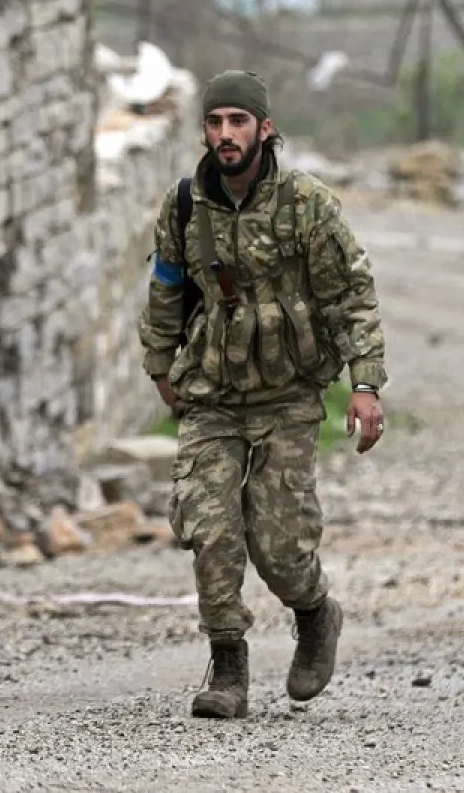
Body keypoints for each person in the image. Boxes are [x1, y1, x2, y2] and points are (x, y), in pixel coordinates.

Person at [138, 69, 389, 719]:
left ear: (264, 128)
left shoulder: (307, 204)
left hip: (286, 394)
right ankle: (228, 664)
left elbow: (351, 295)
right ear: (204, 130)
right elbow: (166, 286)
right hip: (212, 393)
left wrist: (364, 383)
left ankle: (314, 610)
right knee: (209, 526)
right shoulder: (186, 205)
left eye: (238, 121)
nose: (226, 134)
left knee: (279, 543)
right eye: (216, 121)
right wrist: (159, 362)